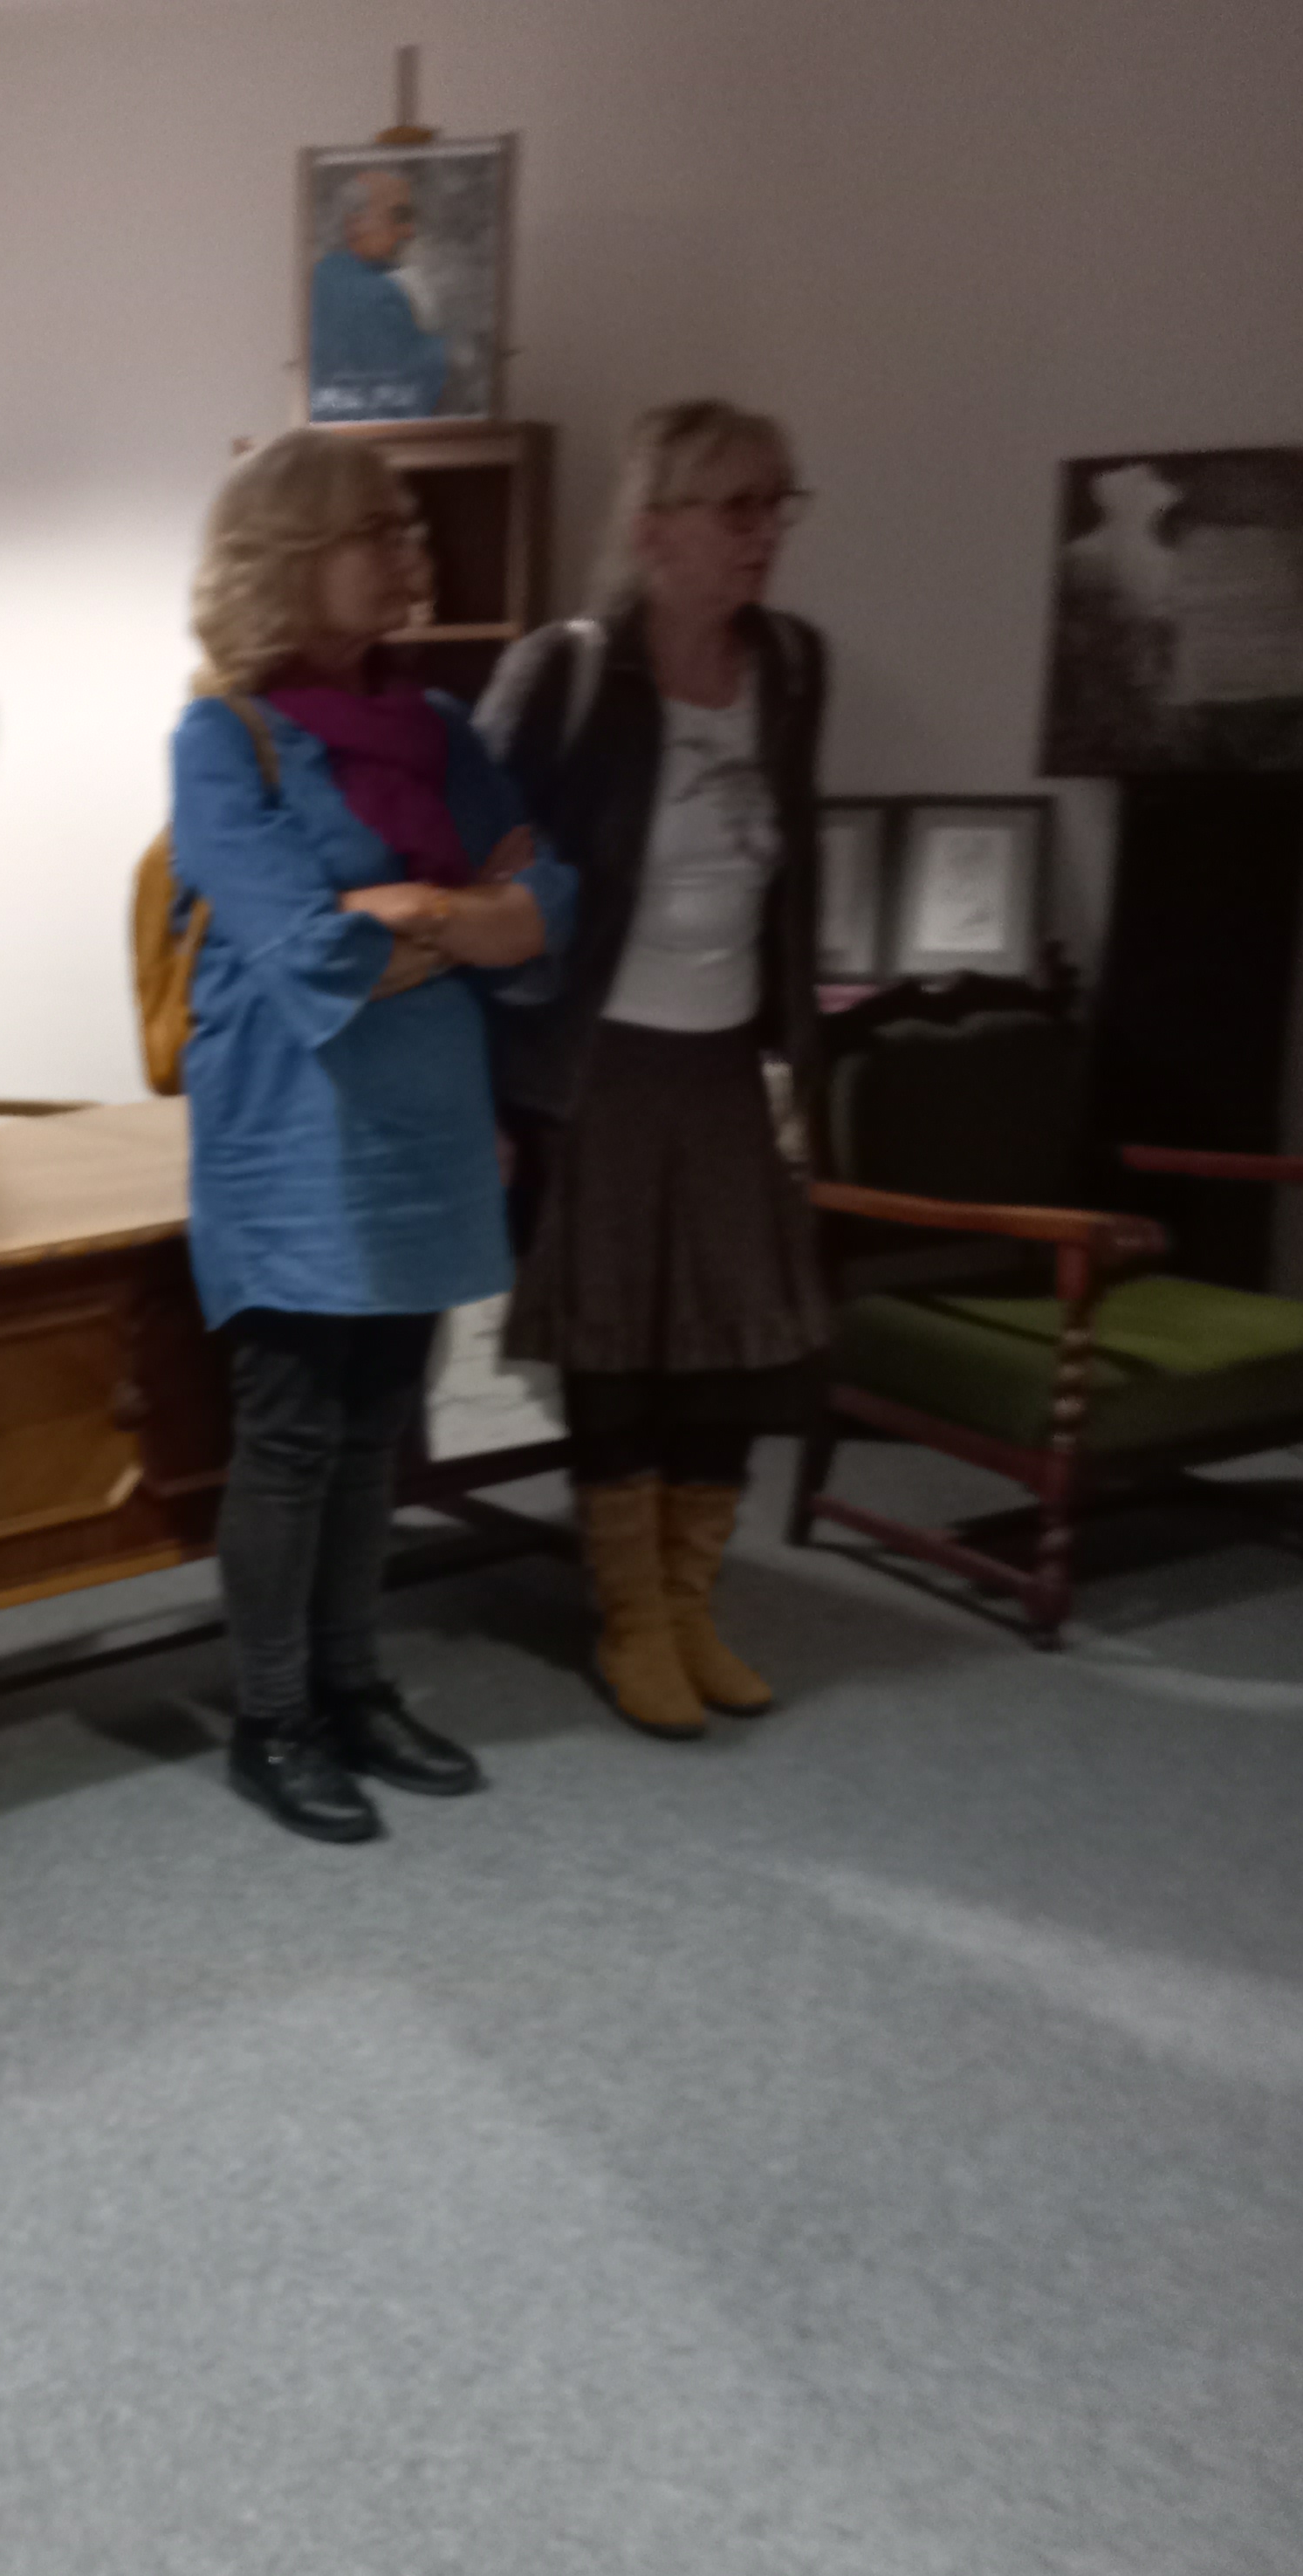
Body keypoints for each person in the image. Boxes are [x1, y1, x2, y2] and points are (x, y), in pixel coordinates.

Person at [173, 428, 571, 1843]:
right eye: (381, 532)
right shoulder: (224, 740)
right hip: (289, 1136)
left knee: (376, 1426)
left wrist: (415, 913)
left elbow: (548, 903)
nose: (416, 555)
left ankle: (353, 1686)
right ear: (291, 557)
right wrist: (460, 917)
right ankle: (272, 1718)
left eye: (413, 529)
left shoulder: (444, 728)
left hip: (423, 1124)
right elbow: (301, 948)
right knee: (292, 1433)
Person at [476, 400, 832, 1742]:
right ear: (655, 524)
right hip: (599, 1064)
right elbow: (486, 881)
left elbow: (790, 857)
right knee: (618, 1346)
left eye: (779, 504)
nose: (765, 533)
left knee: (731, 1345)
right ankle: (632, 1620)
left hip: (729, 1059)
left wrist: (797, 1051)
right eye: (737, 505)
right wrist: (490, 1092)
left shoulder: (792, 664)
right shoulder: (566, 673)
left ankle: (691, 1607)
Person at [308, 167, 446, 422]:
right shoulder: (379, 294)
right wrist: (429, 316)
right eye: (400, 217)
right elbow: (415, 402)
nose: (409, 232)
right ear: (356, 222)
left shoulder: (322, 276)